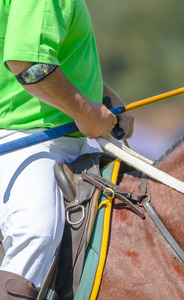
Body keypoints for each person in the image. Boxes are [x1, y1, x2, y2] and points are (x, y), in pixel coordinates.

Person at [0, 0, 134, 298]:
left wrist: (102, 94)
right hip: (24, 137)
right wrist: (86, 112)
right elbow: (29, 65)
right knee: (35, 233)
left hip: (60, 138)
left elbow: (57, 55)